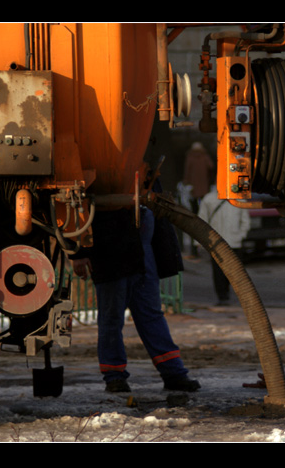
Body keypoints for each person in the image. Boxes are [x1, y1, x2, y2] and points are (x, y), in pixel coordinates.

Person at [70, 201, 200, 393]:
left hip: (142, 250)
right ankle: (114, 377)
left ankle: (173, 373)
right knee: (112, 318)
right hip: (110, 249)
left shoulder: (147, 175)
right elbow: (75, 207)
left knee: (151, 315)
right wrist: (78, 251)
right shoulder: (102, 177)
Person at [198, 184, 250, 306]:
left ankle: (234, 295)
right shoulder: (209, 199)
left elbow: (245, 222)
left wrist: (240, 236)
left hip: (234, 242)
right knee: (218, 272)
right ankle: (222, 296)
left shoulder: (239, 199)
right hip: (217, 243)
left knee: (235, 272)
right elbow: (202, 219)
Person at [183, 142, 214, 256]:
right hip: (204, 190)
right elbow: (211, 166)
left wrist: (187, 182)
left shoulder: (190, 157)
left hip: (194, 191)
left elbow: (187, 171)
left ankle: (194, 249)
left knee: (194, 217)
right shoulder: (205, 157)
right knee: (204, 215)